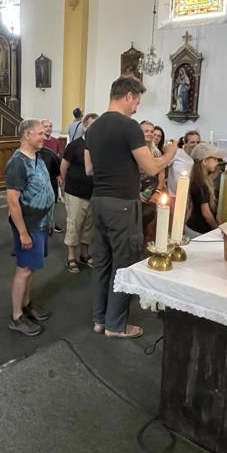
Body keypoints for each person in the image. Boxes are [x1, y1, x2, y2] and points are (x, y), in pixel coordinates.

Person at [85, 76, 177, 338]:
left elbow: (91, 168)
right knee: (124, 263)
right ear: (128, 96)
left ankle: (100, 320)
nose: (136, 107)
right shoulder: (128, 126)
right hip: (122, 204)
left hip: (99, 201)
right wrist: (170, 153)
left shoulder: (93, 128)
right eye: (137, 101)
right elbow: (151, 167)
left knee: (102, 262)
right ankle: (115, 325)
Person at [5, 119, 56, 337]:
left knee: (32, 268)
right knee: (24, 269)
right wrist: (23, 233)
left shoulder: (37, 157)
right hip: (28, 225)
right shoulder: (17, 163)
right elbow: (12, 201)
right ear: (27, 135)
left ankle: (26, 305)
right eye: (40, 133)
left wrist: (50, 220)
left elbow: (45, 188)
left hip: (41, 223)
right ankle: (16, 317)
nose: (45, 136)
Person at [61, 113, 98, 273]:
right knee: (74, 224)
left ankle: (84, 254)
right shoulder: (75, 146)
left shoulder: (100, 145)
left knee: (89, 225)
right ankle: (71, 256)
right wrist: (65, 184)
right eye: (92, 125)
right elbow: (64, 167)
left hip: (93, 193)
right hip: (75, 192)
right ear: (84, 126)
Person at [186, 143, 222, 237]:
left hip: (193, 227)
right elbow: (206, 214)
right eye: (215, 159)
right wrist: (217, 230)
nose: (217, 163)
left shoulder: (198, 179)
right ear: (205, 161)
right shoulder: (201, 183)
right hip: (199, 231)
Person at [139, 121, 166, 246]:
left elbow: (161, 174)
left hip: (151, 193)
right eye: (146, 131)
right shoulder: (134, 149)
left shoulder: (156, 152)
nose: (150, 134)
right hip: (135, 194)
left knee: (146, 228)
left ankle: (144, 250)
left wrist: (157, 192)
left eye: (151, 131)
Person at [167, 131, 200, 195]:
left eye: (198, 142)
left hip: (191, 196)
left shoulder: (200, 157)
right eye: (192, 142)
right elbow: (162, 168)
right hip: (174, 195)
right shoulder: (176, 153)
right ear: (185, 143)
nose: (196, 145)